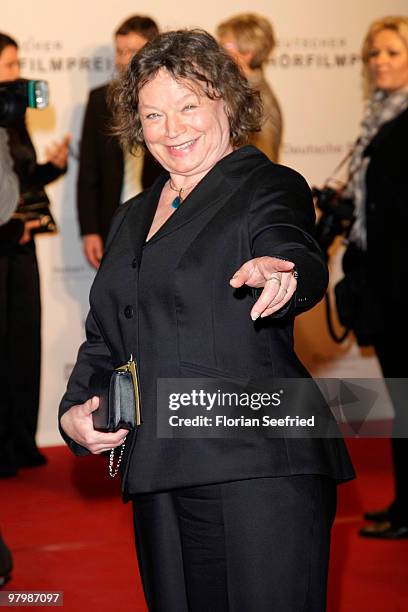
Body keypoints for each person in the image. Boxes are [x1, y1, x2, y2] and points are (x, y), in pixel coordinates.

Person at [59, 30, 354, 611]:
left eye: (189, 105)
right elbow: (106, 335)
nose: (173, 129)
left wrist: (284, 273)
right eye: (153, 114)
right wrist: (74, 413)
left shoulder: (266, 184)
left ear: (227, 102)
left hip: (259, 465)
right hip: (158, 467)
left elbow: (291, 243)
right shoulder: (129, 217)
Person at [341, 16, 408, 540]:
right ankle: (405, 502)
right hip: (385, 282)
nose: (380, 61)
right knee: (400, 398)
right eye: (373, 53)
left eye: (392, 51)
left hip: (405, 283)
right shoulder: (377, 118)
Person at [0, 32, 70, 477]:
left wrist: (55, 166)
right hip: (5, 242)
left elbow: (21, 179)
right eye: (8, 66)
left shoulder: (13, 109)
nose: (17, 74)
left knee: (22, 347)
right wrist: (9, 230)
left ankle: (19, 441)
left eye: (17, 64)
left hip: (19, 250)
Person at [77, 15, 162, 269]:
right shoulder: (99, 100)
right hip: (112, 220)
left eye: (132, 51)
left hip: (161, 214)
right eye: (119, 51)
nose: (123, 59)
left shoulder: (169, 99)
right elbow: (88, 171)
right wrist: (90, 230)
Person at [216, 13, 283, 162]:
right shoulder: (236, 89)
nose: (217, 52)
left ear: (247, 53)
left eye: (224, 45)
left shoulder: (260, 100)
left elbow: (264, 162)